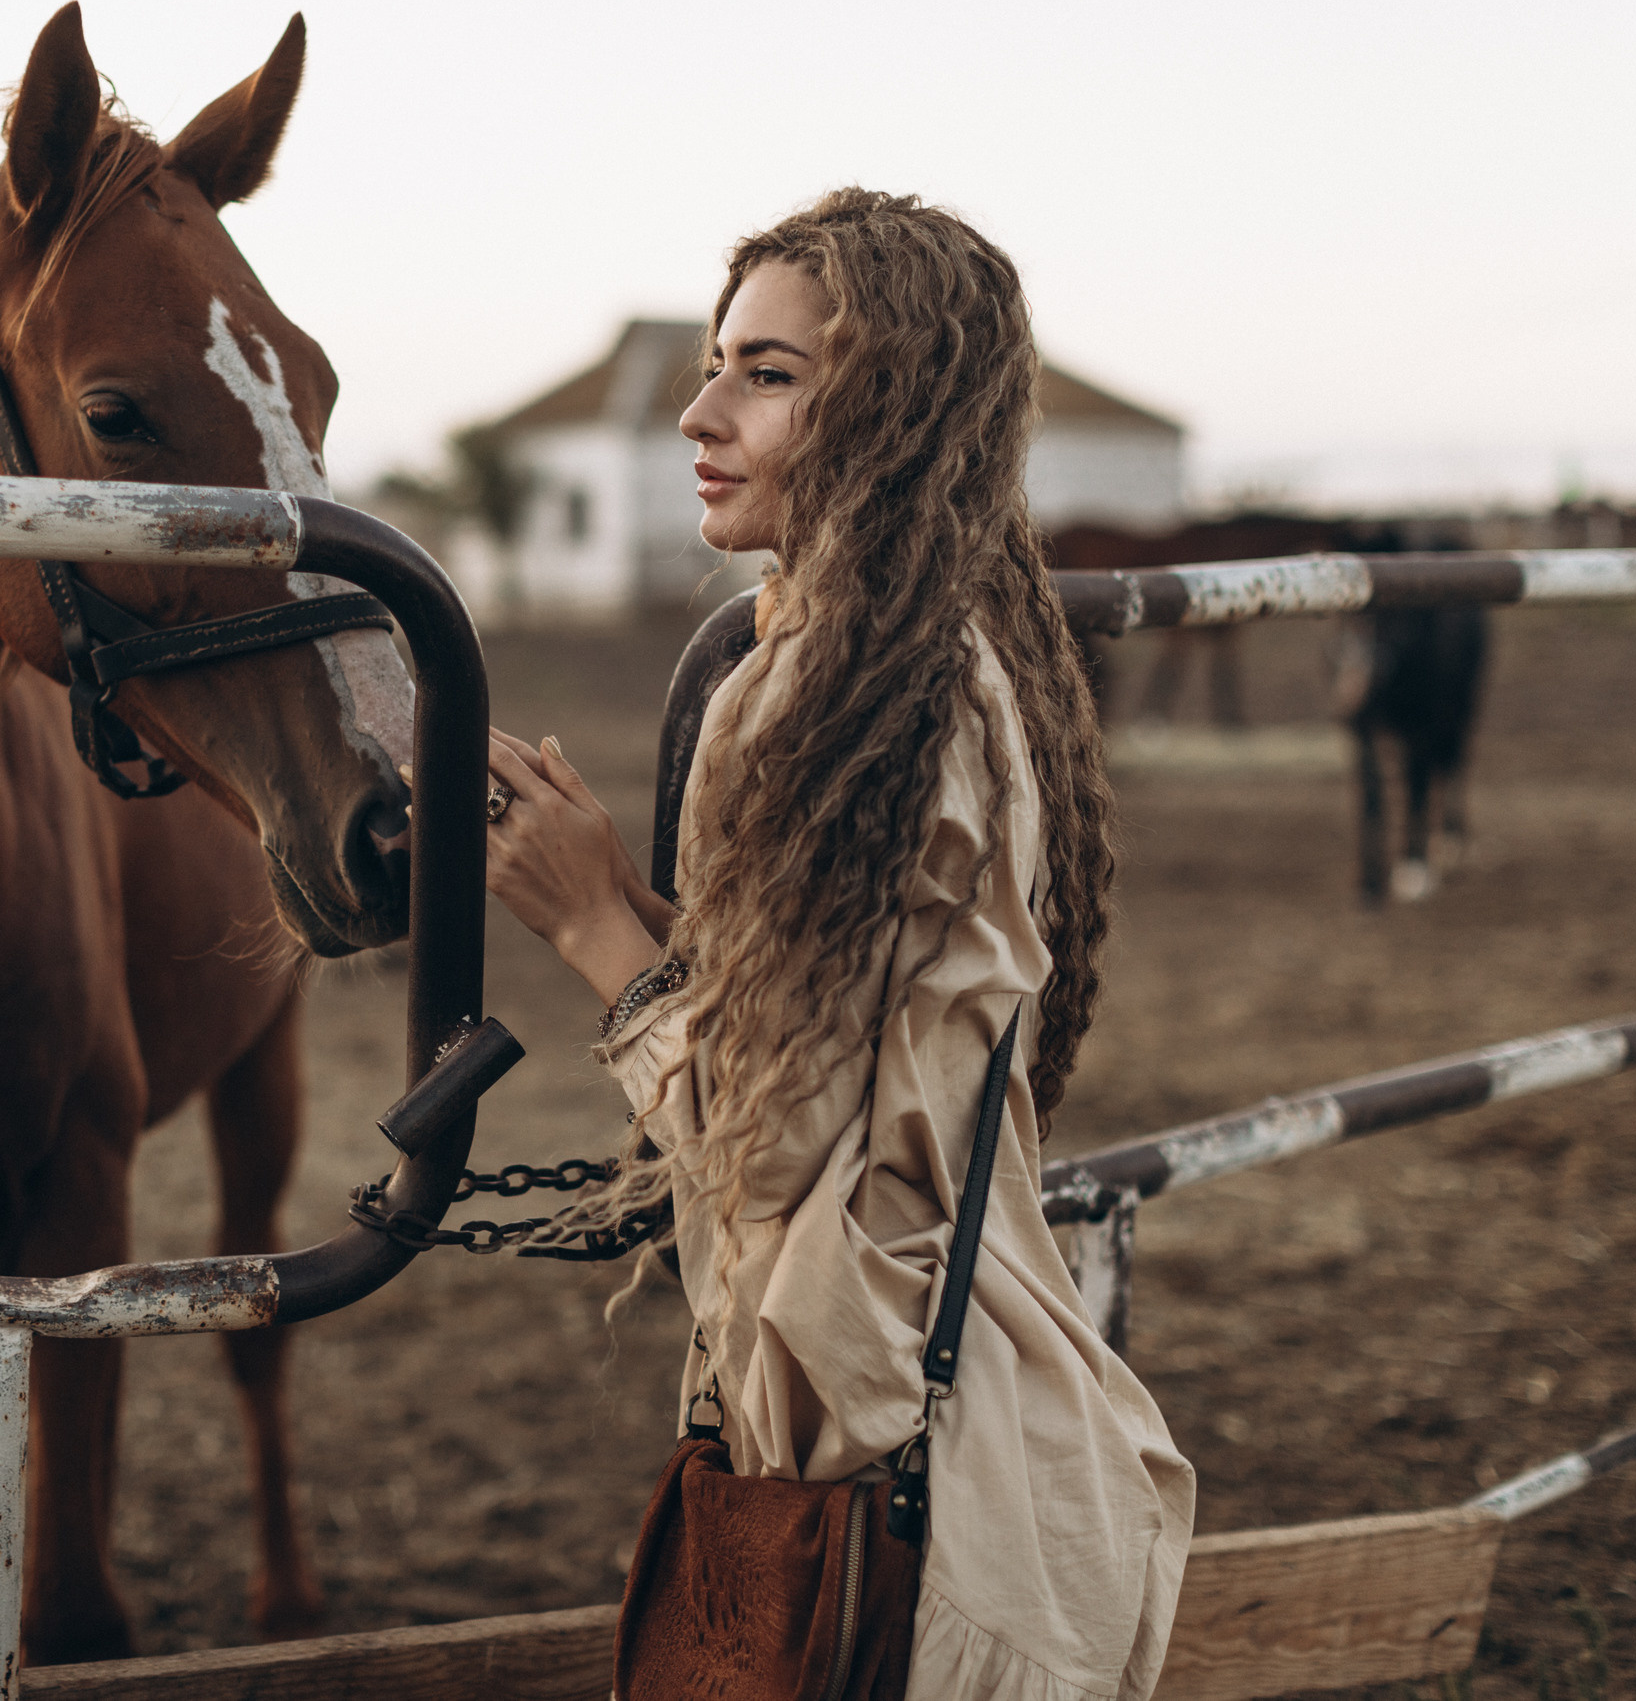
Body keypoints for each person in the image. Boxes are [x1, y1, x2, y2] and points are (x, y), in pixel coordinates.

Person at [480, 189, 1196, 1700]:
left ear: (900, 406)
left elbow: (772, 1155)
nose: (697, 413)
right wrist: (634, 884)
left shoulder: (824, 697)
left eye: (768, 373)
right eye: (715, 365)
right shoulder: (945, 656)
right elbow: (845, 1022)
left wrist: (595, 926)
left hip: (876, 1455)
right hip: (998, 1416)